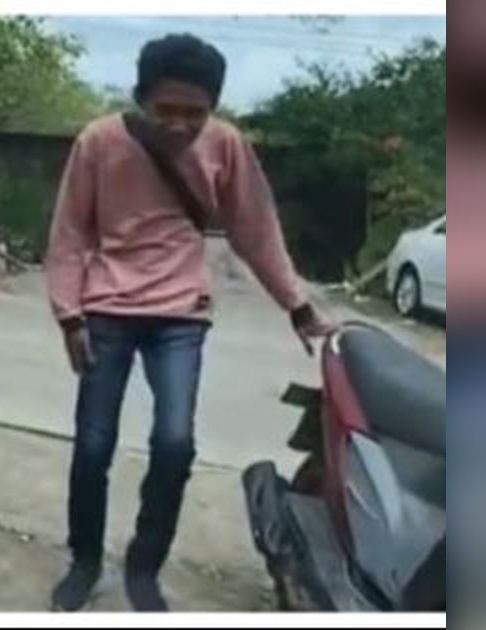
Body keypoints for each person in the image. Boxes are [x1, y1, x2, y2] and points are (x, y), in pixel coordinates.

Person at [44, 33, 335, 612]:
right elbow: (71, 231)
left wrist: (297, 306)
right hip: (105, 311)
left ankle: (145, 566)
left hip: (181, 314)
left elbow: (254, 229)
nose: (179, 126)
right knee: (93, 445)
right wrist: (69, 315)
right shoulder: (99, 141)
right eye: (165, 111)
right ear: (139, 98)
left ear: (214, 109)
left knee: (175, 444)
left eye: (194, 114)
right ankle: (84, 559)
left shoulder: (225, 145)